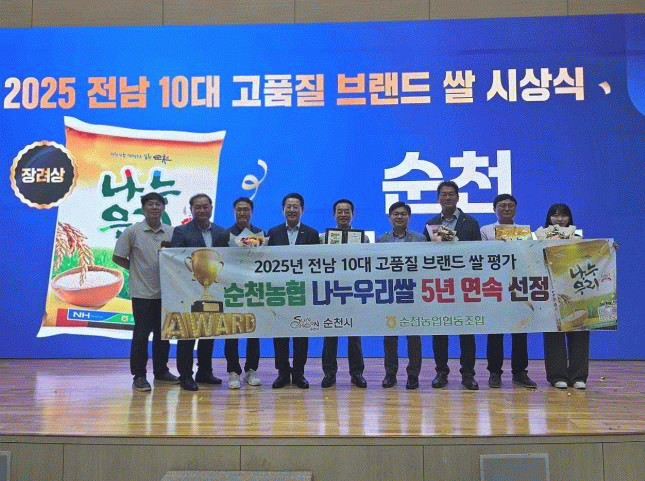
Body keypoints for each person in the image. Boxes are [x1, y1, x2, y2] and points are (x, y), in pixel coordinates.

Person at [112, 192, 179, 392]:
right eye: (150, 204)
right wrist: (135, 269)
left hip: (166, 293)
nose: (154, 207)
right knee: (141, 335)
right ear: (143, 208)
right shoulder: (132, 232)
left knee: (163, 335)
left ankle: (161, 371)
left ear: (163, 208)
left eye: (158, 204)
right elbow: (118, 257)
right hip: (142, 293)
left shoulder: (172, 232)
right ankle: (139, 375)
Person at [425, 181, 480, 390]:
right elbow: (425, 255)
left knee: (467, 331)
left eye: (451, 194)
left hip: (465, 284)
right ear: (438, 198)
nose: (447, 198)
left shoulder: (470, 223)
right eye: (443, 194)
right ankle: (441, 372)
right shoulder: (431, 224)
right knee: (440, 329)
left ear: (458, 197)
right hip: (440, 284)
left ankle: (468, 374)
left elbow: (478, 255)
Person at [170, 193, 228, 391]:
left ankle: (205, 371)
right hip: (188, 290)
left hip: (214, 289)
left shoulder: (221, 233)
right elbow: (175, 260)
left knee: (208, 332)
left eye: (205, 207)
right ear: (191, 210)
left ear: (211, 208)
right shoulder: (181, 232)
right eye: (198, 207)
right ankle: (186, 375)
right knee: (187, 333)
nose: (202, 210)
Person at [480, 194, 537, 389]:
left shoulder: (524, 231)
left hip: (518, 284)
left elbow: (530, 255)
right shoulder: (485, 230)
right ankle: (494, 372)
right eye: (502, 206)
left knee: (520, 330)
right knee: (495, 331)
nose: (506, 209)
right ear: (494, 209)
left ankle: (520, 372)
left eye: (510, 206)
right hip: (494, 285)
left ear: (515, 209)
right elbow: (481, 256)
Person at [267, 193, 320, 389]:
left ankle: (299, 373)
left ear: (302, 210)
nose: (292, 210)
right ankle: (282, 373)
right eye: (288, 206)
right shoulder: (273, 233)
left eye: (295, 207)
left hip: (302, 291)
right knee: (280, 333)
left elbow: (317, 264)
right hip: (279, 291)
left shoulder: (312, 234)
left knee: (301, 333)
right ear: (283, 210)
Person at [538, 203, 589, 390]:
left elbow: (593, 256)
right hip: (550, 291)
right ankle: (557, 376)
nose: (559, 219)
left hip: (576, 290)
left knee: (580, 331)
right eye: (555, 215)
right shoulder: (539, 237)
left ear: (570, 218)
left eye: (564, 215)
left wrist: (609, 248)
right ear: (549, 218)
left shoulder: (578, 237)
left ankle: (578, 376)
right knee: (554, 333)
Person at [377, 201, 425, 390]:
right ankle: (390, 374)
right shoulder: (381, 240)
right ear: (390, 217)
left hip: (413, 293)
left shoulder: (420, 239)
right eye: (395, 214)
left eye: (403, 214)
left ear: (409, 217)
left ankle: (413, 375)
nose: (399, 217)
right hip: (390, 293)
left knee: (413, 337)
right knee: (390, 336)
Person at [320, 199, 367, 389]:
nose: (343, 215)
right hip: (331, 291)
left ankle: (357, 373)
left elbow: (367, 262)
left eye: (347, 211)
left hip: (353, 291)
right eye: (340, 211)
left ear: (352, 214)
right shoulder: (323, 238)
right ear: (334, 215)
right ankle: (329, 373)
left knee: (354, 335)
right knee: (330, 334)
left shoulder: (363, 238)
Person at [225, 196, 263, 389]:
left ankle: (251, 370)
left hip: (253, 288)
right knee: (231, 331)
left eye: (246, 209)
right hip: (231, 289)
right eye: (239, 209)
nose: (242, 213)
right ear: (234, 212)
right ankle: (233, 371)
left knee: (254, 331)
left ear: (252, 212)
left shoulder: (260, 234)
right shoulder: (225, 234)